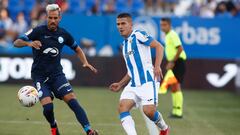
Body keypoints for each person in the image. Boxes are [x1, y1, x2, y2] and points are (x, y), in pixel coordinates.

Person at [13, 4, 98, 135]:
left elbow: (77, 48)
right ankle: (53, 126)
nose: (52, 20)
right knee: (48, 108)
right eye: (50, 17)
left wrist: (85, 62)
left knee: (72, 101)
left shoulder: (64, 34)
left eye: (55, 18)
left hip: (57, 75)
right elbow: (16, 42)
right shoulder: (37, 31)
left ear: (60, 18)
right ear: (46, 17)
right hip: (40, 77)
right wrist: (28, 43)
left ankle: (89, 131)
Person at [109, 13, 169, 135]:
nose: (120, 26)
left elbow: (159, 47)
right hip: (134, 83)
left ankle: (164, 128)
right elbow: (131, 72)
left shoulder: (138, 35)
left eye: (123, 23)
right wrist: (120, 84)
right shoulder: (125, 45)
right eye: (118, 24)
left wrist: (157, 66)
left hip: (147, 80)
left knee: (149, 111)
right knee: (122, 107)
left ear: (131, 25)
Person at [159, 17, 186, 118]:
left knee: (176, 86)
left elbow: (180, 48)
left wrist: (172, 62)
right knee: (174, 86)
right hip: (175, 62)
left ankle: (178, 112)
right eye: (161, 25)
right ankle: (175, 110)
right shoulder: (168, 35)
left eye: (164, 25)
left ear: (169, 25)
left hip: (178, 62)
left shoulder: (172, 34)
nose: (162, 27)